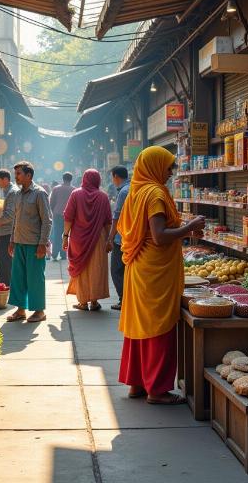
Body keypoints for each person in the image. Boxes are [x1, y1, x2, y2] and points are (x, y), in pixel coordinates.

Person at [117, 146, 205, 405]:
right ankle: (157, 389)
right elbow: (158, 236)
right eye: (168, 168)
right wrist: (188, 228)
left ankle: (137, 384)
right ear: (155, 166)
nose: (170, 173)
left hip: (139, 266)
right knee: (158, 326)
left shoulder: (136, 191)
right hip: (155, 271)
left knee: (139, 324)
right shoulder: (155, 193)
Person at [7, 161, 52, 323]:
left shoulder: (40, 194)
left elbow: (47, 221)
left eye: (19, 173)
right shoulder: (17, 194)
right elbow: (16, 219)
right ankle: (20, 310)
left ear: (29, 175)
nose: (16, 177)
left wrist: (43, 243)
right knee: (18, 278)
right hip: (19, 242)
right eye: (16, 173)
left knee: (35, 279)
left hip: (34, 244)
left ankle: (39, 311)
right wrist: (12, 240)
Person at [63, 169, 112, 311]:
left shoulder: (76, 194)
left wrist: (65, 236)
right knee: (96, 268)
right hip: (98, 238)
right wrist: (109, 240)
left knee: (82, 268)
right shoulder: (103, 197)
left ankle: (83, 302)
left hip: (78, 238)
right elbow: (108, 221)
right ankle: (94, 301)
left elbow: (68, 217)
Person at [106, 165, 130, 310]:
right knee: (127, 270)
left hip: (121, 239)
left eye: (112, 178)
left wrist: (110, 238)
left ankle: (123, 300)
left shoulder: (123, 192)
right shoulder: (134, 187)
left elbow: (116, 217)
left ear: (116, 176)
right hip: (132, 237)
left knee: (116, 270)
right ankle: (129, 299)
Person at [49, 172, 75, 261]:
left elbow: (51, 202)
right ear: (71, 179)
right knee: (66, 234)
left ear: (62, 179)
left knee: (56, 234)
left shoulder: (56, 189)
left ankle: (55, 254)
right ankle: (64, 254)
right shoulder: (74, 190)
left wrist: (53, 211)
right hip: (70, 215)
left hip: (57, 214)